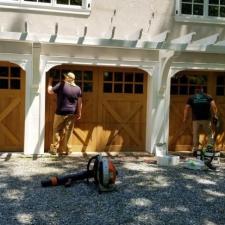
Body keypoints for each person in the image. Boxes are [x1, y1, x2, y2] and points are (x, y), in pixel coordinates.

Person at [47, 72, 82, 156]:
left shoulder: (61, 84)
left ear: (68, 78)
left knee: (57, 130)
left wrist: (50, 82)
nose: (64, 78)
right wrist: (79, 112)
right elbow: (80, 102)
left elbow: (50, 91)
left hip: (60, 112)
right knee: (69, 132)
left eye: (66, 77)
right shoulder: (78, 88)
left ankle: (54, 149)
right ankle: (68, 149)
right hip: (71, 113)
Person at [183, 86, 218, 155]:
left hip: (196, 119)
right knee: (209, 133)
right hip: (206, 119)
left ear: (196, 90)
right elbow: (214, 106)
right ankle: (210, 149)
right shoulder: (208, 97)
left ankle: (195, 150)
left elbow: (186, 108)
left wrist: (185, 118)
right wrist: (215, 115)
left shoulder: (192, 98)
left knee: (195, 134)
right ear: (202, 90)